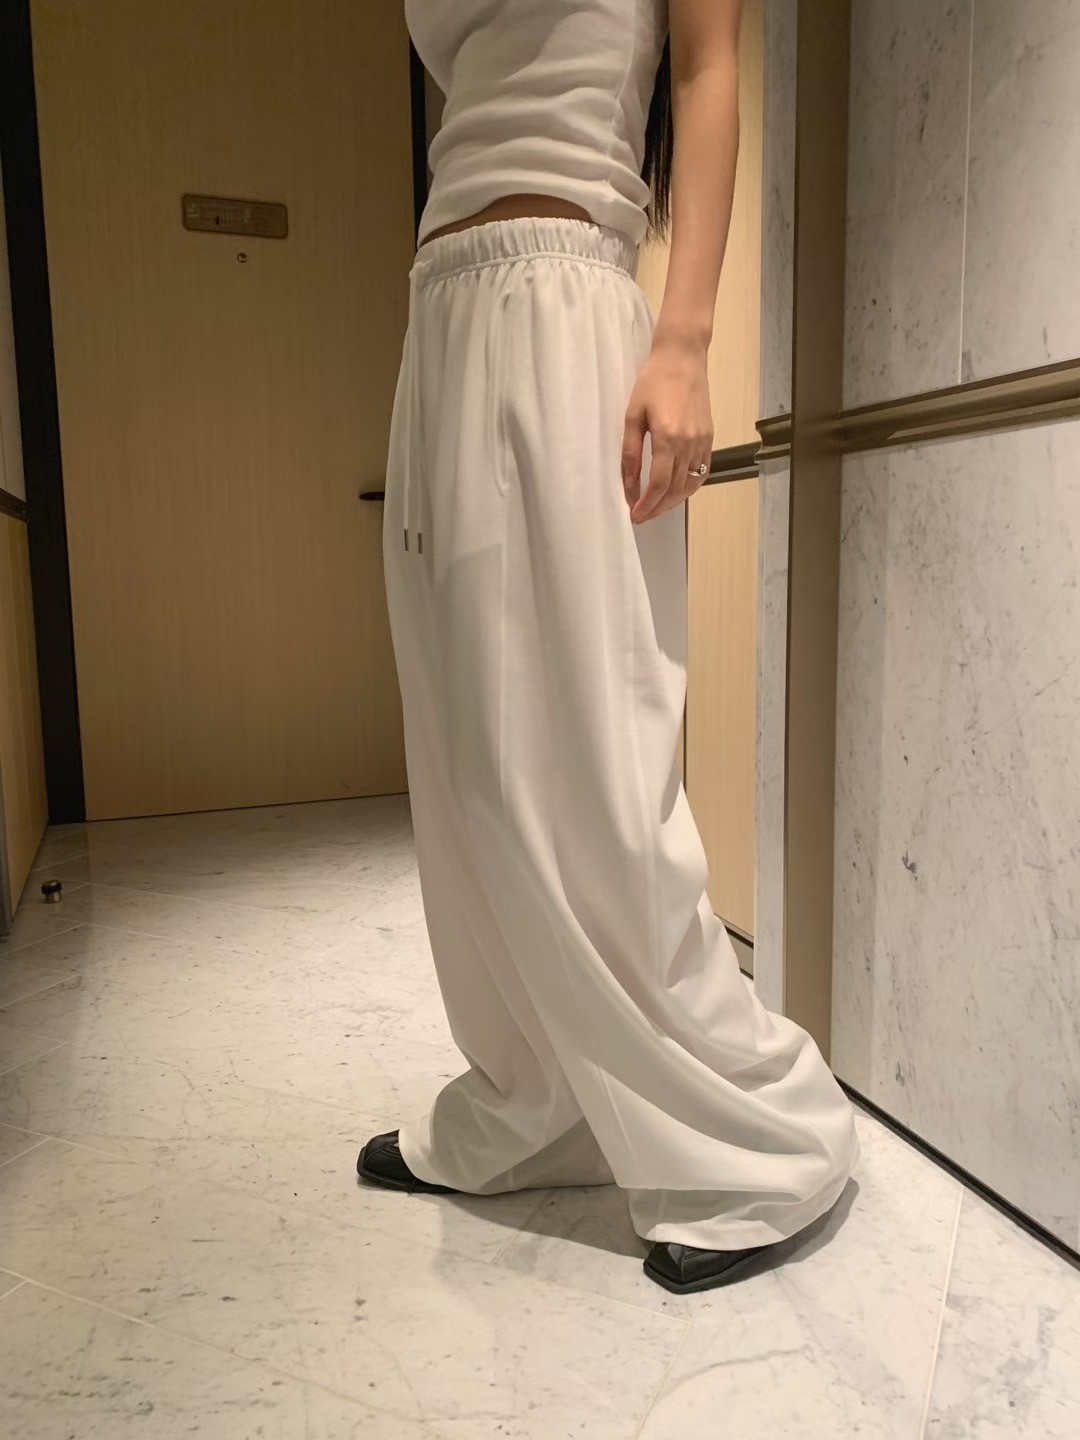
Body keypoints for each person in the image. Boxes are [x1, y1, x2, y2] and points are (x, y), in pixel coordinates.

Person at [357, 0, 860, 1296]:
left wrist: (683, 344)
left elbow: (706, 64)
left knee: (591, 767)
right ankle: (534, 1100)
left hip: (563, 294)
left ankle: (759, 1139)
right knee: (465, 772)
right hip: (441, 309)